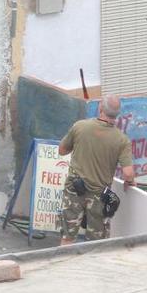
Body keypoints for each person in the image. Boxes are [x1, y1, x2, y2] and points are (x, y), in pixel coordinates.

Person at [58, 95, 135, 245]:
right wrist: (131, 181)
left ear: (100, 107)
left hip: (74, 190)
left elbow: (62, 150)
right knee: (96, 244)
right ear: (117, 113)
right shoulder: (122, 140)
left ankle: (64, 266)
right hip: (99, 196)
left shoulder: (80, 127)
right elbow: (128, 173)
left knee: (68, 237)